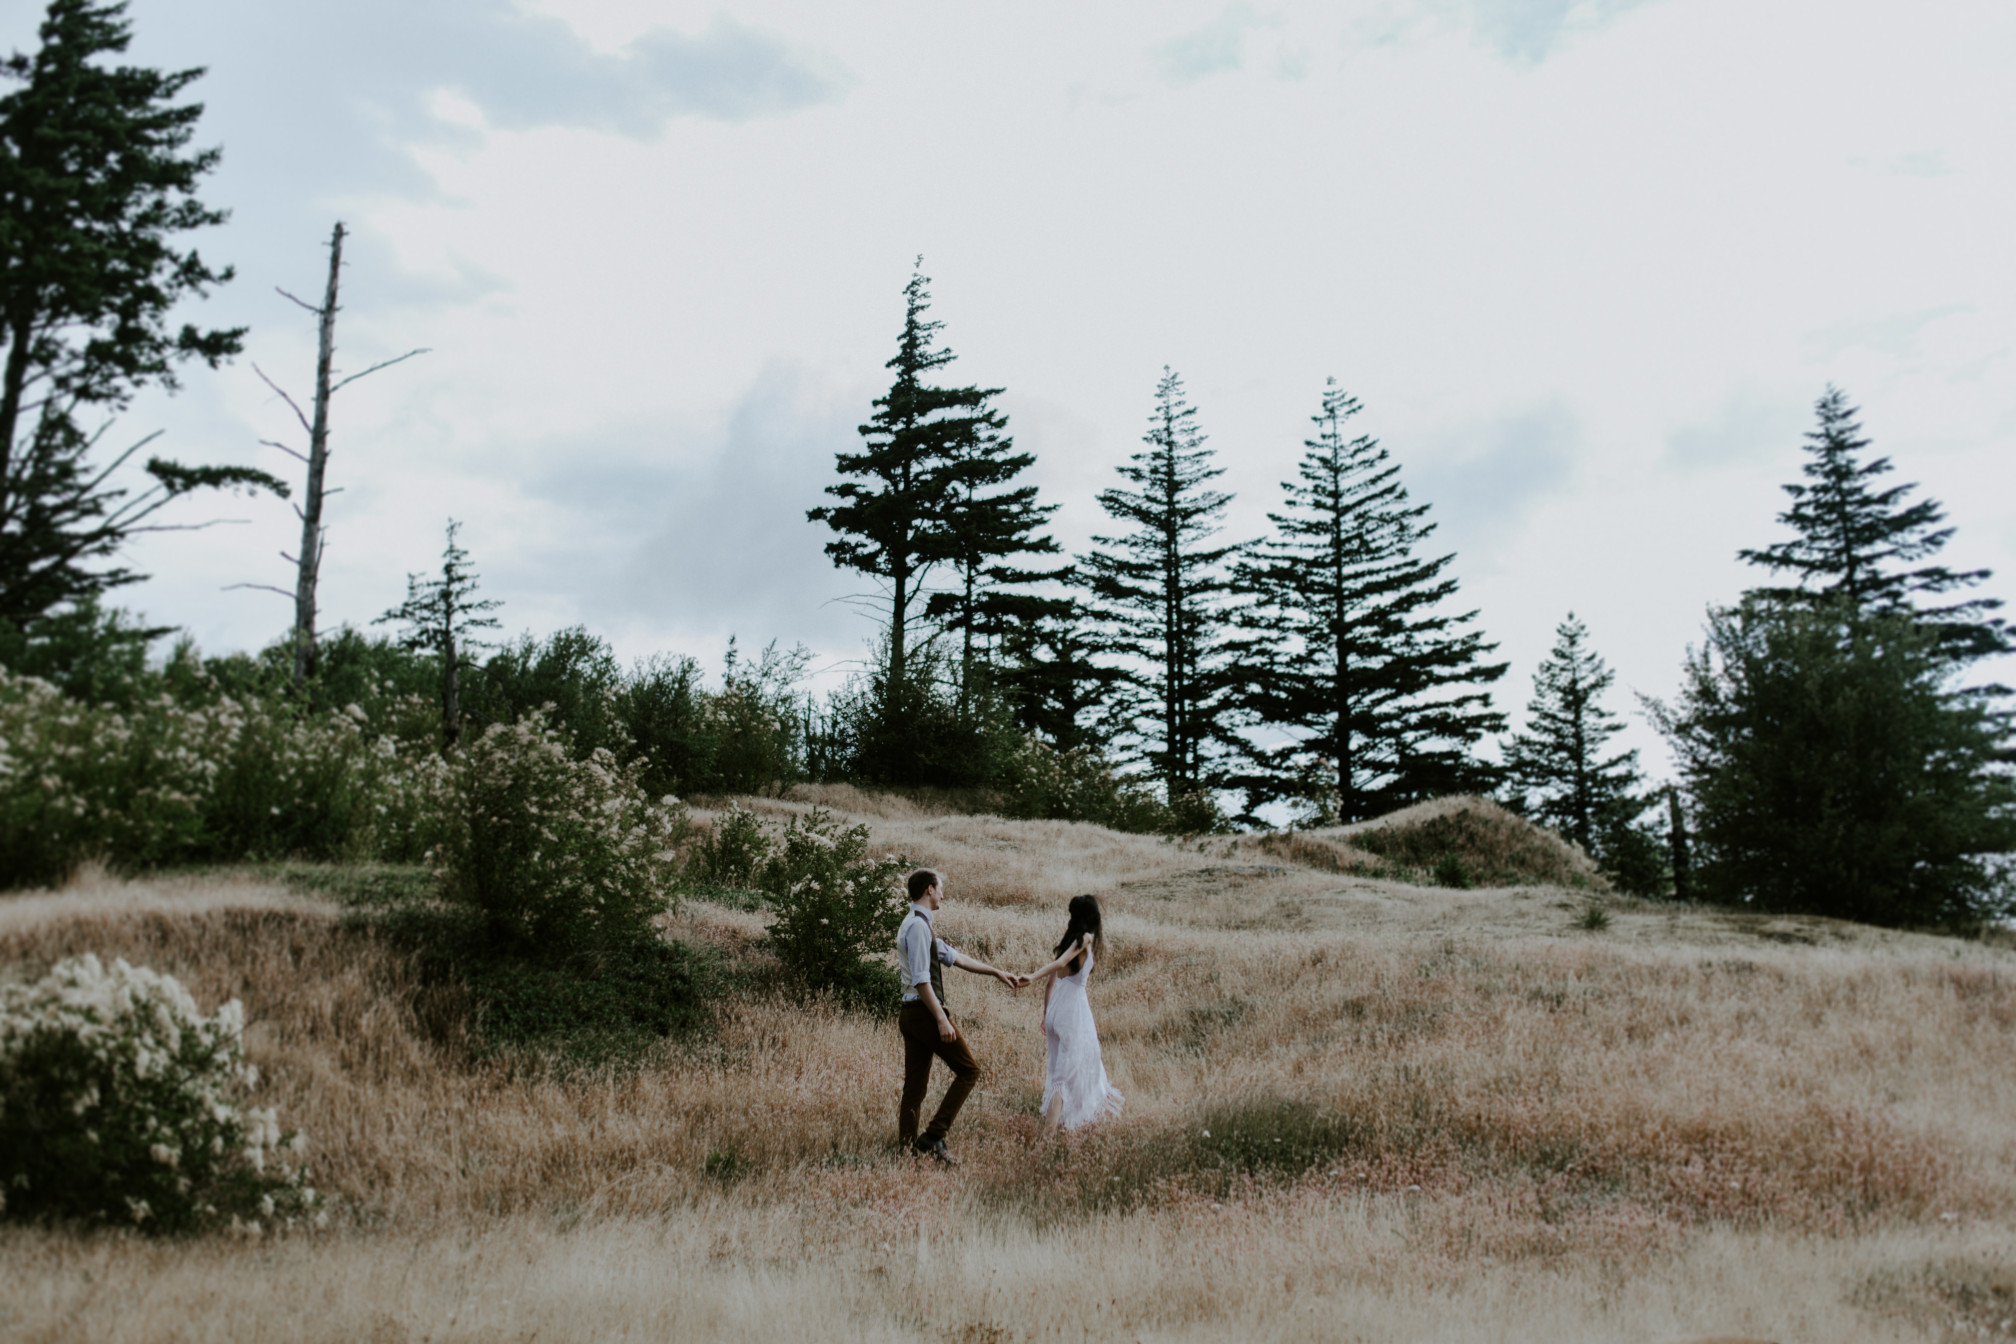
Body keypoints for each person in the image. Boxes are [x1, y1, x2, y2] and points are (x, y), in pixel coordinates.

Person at [897, 868, 1026, 1164]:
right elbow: (921, 979)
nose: (943, 894)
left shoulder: (918, 924)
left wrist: (996, 971)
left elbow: (955, 957)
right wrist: (941, 1018)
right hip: (924, 1012)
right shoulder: (917, 927)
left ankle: (906, 1151)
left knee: (915, 1087)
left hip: (913, 1013)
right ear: (929, 889)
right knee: (969, 1070)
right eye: (940, 888)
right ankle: (933, 1136)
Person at [1026, 894, 1124, 1136]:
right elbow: (1058, 965)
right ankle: (1049, 1134)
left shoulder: (1067, 940)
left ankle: (1069, 1121)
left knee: (1066, 1066)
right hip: (1074, 1012)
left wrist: (1046, 1015)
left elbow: (1051, 984)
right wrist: (1030, 977)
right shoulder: (1084, 940)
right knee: (1066, 1072)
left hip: (1058, 1008)